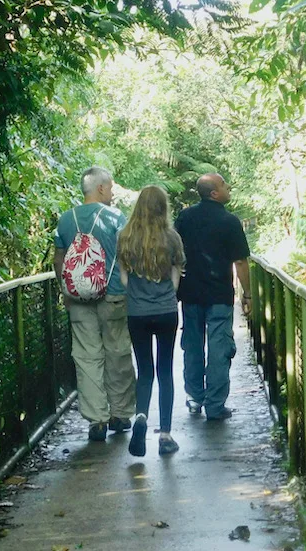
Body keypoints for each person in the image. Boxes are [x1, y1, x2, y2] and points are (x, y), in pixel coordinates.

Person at [54, 167, 136, 441]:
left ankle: (97, 420)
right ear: (100, 188)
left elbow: (59, 259)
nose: (112, 194)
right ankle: (121, 414)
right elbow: (127, 255)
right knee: (118, 352)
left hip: (77, 298)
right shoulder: (115, 218)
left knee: (86, 356)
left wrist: (65, 291)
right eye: (111, 188)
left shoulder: (66, 220)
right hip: (113, 295)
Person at [175, 173, 251, 421]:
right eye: (224, 185)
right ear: (214, 193)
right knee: (219, 348)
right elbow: (240, 261)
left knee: (193, 346)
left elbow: (174, 252)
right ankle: (215, 405)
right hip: (219, 294)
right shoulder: (230, 221)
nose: (229, 187)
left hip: (190, 293)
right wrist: (247, 294)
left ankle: (195, 397)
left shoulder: (185, 217)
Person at [117, 185, 186, 457]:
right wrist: (166, 293)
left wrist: (137, 292)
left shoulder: (125, 237)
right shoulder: (172, 238)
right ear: (163, 207)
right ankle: (166, 434)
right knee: (165, 370)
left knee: (145, 370)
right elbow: (176, 277)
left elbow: (123, 278)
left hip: (137, 312)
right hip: (166, 310)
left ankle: (142, 417)